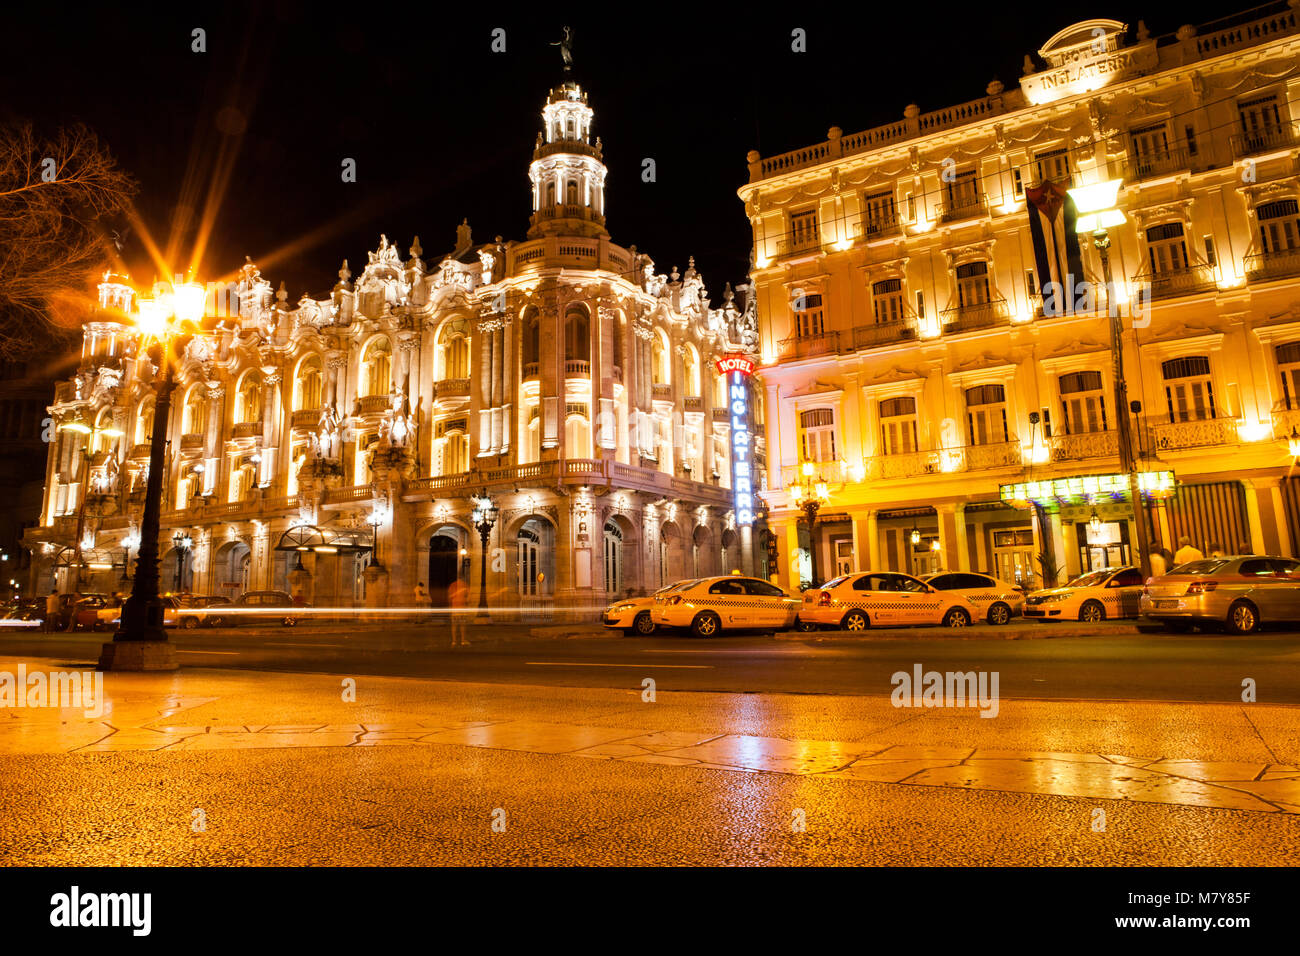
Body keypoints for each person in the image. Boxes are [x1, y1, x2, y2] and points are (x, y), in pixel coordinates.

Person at [448, 575, 469, 647]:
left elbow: (450, 597)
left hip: (454, 609)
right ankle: (463, 640)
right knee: (462, 625)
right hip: (462, 608)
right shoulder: (464, 585)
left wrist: (451, 607)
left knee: (454, 625)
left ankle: (454, 641)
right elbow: (468, 598)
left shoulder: (452, 585)